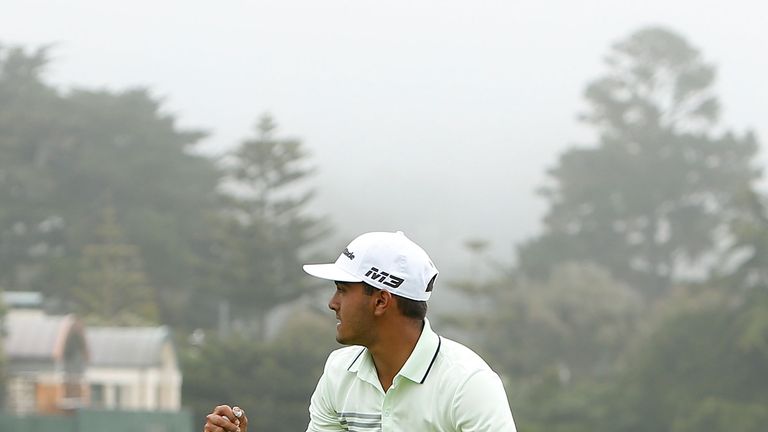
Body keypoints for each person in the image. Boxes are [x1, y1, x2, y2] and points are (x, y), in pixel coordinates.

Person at [204, 231, 517, 432]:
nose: (332, 303)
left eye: (342, 290)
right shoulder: (339, 371)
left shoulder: (468, 384)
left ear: (381, 301)